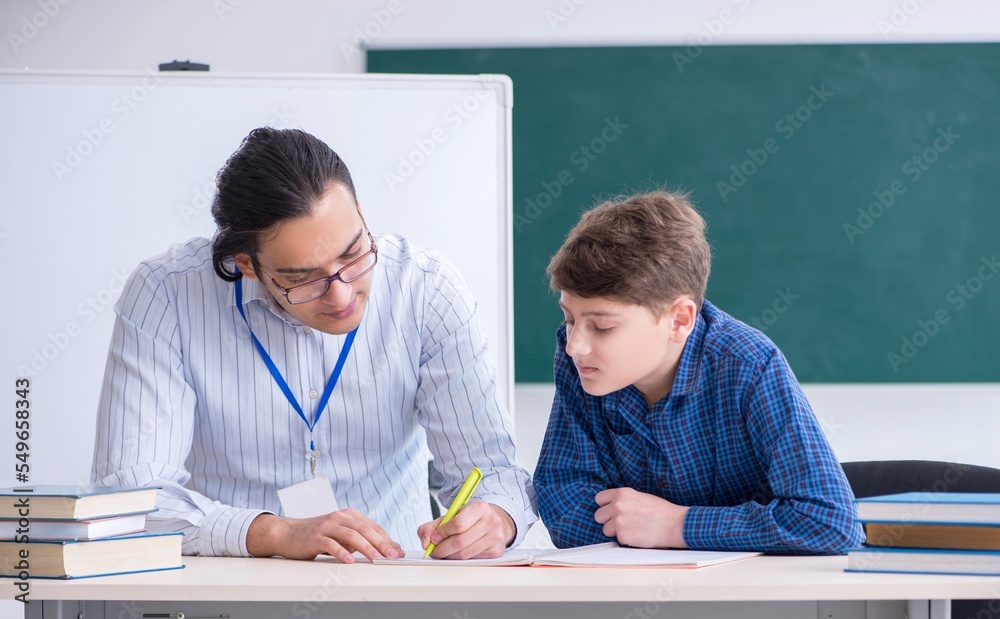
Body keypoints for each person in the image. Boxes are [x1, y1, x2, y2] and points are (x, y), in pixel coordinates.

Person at [91, 127, 536, 562]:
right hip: (227, 585)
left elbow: (495, 475)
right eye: (301, 279)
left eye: (352, 255)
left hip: (390, 586)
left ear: (361, 213)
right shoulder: (166, 293)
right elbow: (128, 498)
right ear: (246, 264)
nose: (342, 296)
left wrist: (496, 517)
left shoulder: (425, 290)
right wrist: (273, 532)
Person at [534, 190, 863, 554]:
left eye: (603, 326)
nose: (574, 344)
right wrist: (644, 530)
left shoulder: (749, 365)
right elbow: (562, 504)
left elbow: (829, 521)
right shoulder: (581, 361)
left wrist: (676, 526)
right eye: (568, 317)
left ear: (679, 320)